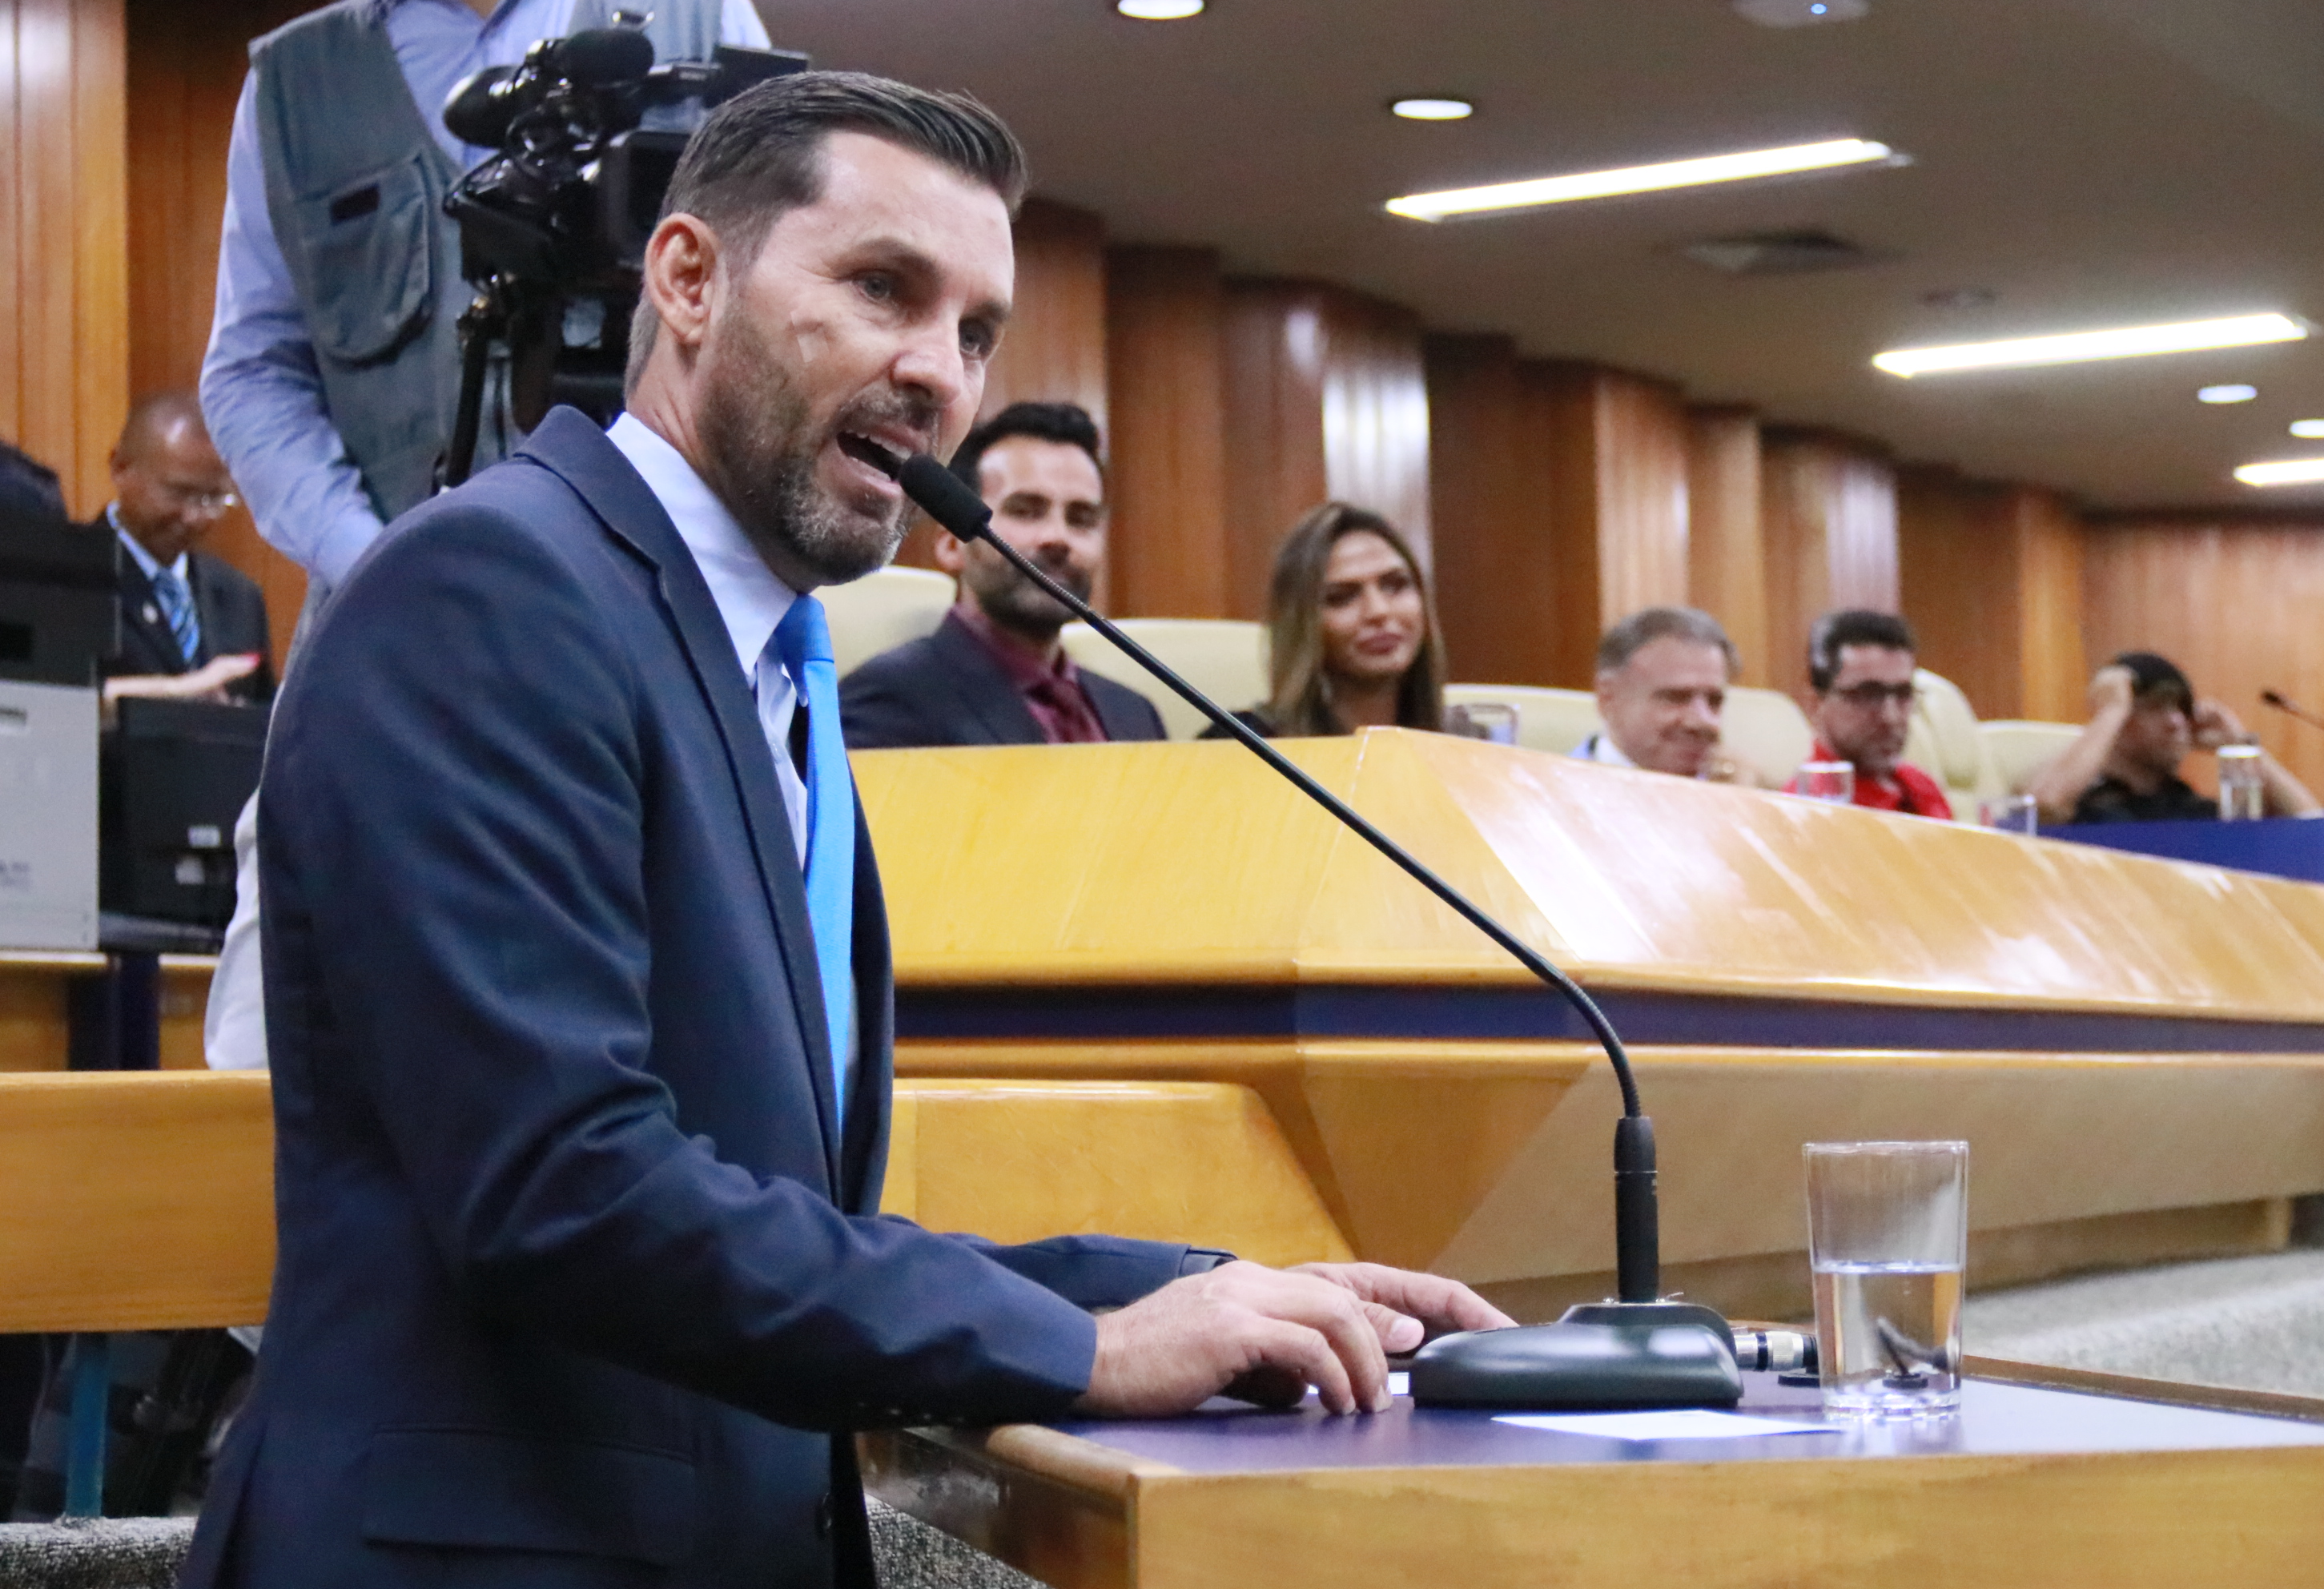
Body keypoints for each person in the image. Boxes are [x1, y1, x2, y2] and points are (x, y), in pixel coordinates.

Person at [180, 74, 1509, 1589]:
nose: (937, 372)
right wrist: (1085, 1350)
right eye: (883, 288)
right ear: (689, 279)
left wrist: (1201, 1291)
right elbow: (564, 1187)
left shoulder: (766, 663)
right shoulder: (490, 591)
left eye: (976, 331)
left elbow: (778, 1211)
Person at [194, 0, 772, 1074]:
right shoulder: (293, 82)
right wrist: (381, 564)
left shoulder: (700, 15)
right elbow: (250, 371)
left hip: (655, 640)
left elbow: (784, 307)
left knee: (683, 1055)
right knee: (268, 1069)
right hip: (373, 655)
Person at [839, 401, 1164, 747]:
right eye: (1025, 511)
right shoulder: (887, 702)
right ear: (952, 544)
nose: (1058, 537)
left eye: (1081, 518)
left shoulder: (1135, 713)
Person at [90, 393, 273, 709]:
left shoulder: (239, 597)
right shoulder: (66, 577)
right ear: (120, 468)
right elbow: (43, 702)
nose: (194, 517)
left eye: (213, 499)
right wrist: (176, 692)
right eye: (178, 493)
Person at [1217, 502, 1445, 737]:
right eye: (1341, 598)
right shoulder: (1241, 743)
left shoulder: (1463, 740)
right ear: (1302, 624)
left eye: (1396, 585)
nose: (1378, 611)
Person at [2028, 652, 2321, 823]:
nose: (2177, 721)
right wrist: (2111, 710)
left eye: (2183, 709)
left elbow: (2310, 824)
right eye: (2156, 706)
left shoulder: (2191, 808)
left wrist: (2239, 744)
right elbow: (2043, 805)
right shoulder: (2083, 800)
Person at [1573, 605, 1753, 781]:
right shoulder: (1560, 791)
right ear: (1608, 698)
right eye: (1676, 697)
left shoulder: (1739, 790)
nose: (1702, 720)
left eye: (1714, 701)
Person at [1802, 609, 1950, 819]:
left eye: (1903, 694)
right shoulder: (1811, 808)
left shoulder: (1921, 786)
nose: (1891, 717)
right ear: (1816, 704)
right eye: (1867, 695)